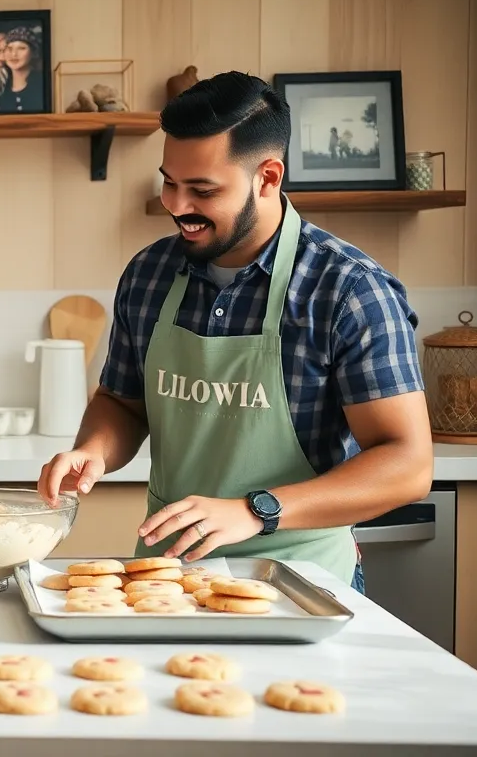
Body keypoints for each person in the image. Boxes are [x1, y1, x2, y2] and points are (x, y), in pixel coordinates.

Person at [37, 72, 432, 591]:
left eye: (202, 190)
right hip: (167, 577)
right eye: (169, 182)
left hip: (302, 581)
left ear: (268, 177)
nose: (176, 205)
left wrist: (256, 510)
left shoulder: (348, 290)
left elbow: (407, 464)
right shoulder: (149, 274)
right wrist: (94, 449)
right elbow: (122, 403)